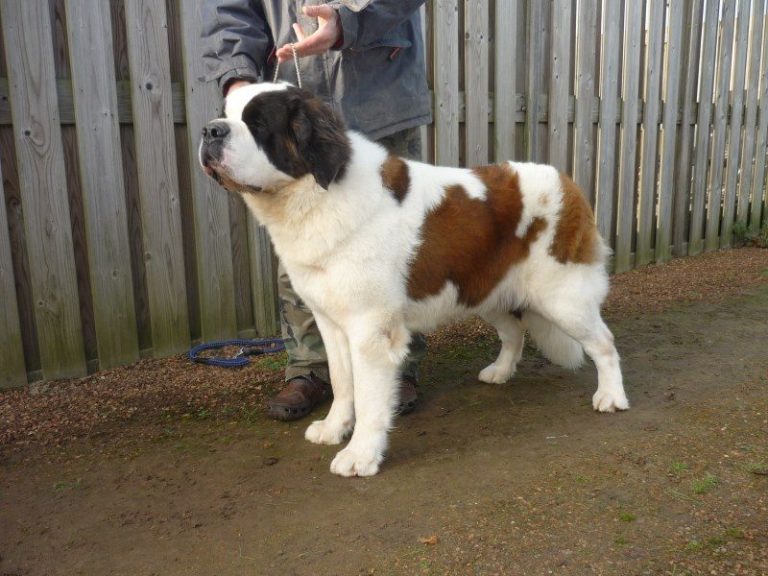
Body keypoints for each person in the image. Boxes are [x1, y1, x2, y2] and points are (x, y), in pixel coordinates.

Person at [202, 0, 432, 421]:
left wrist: (350, 25)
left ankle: (395, 363)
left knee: (392, 242)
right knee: (300, 241)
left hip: (381, 89)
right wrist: (237, 78)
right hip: (285, 100)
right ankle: (310, 365)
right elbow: (229, 9)